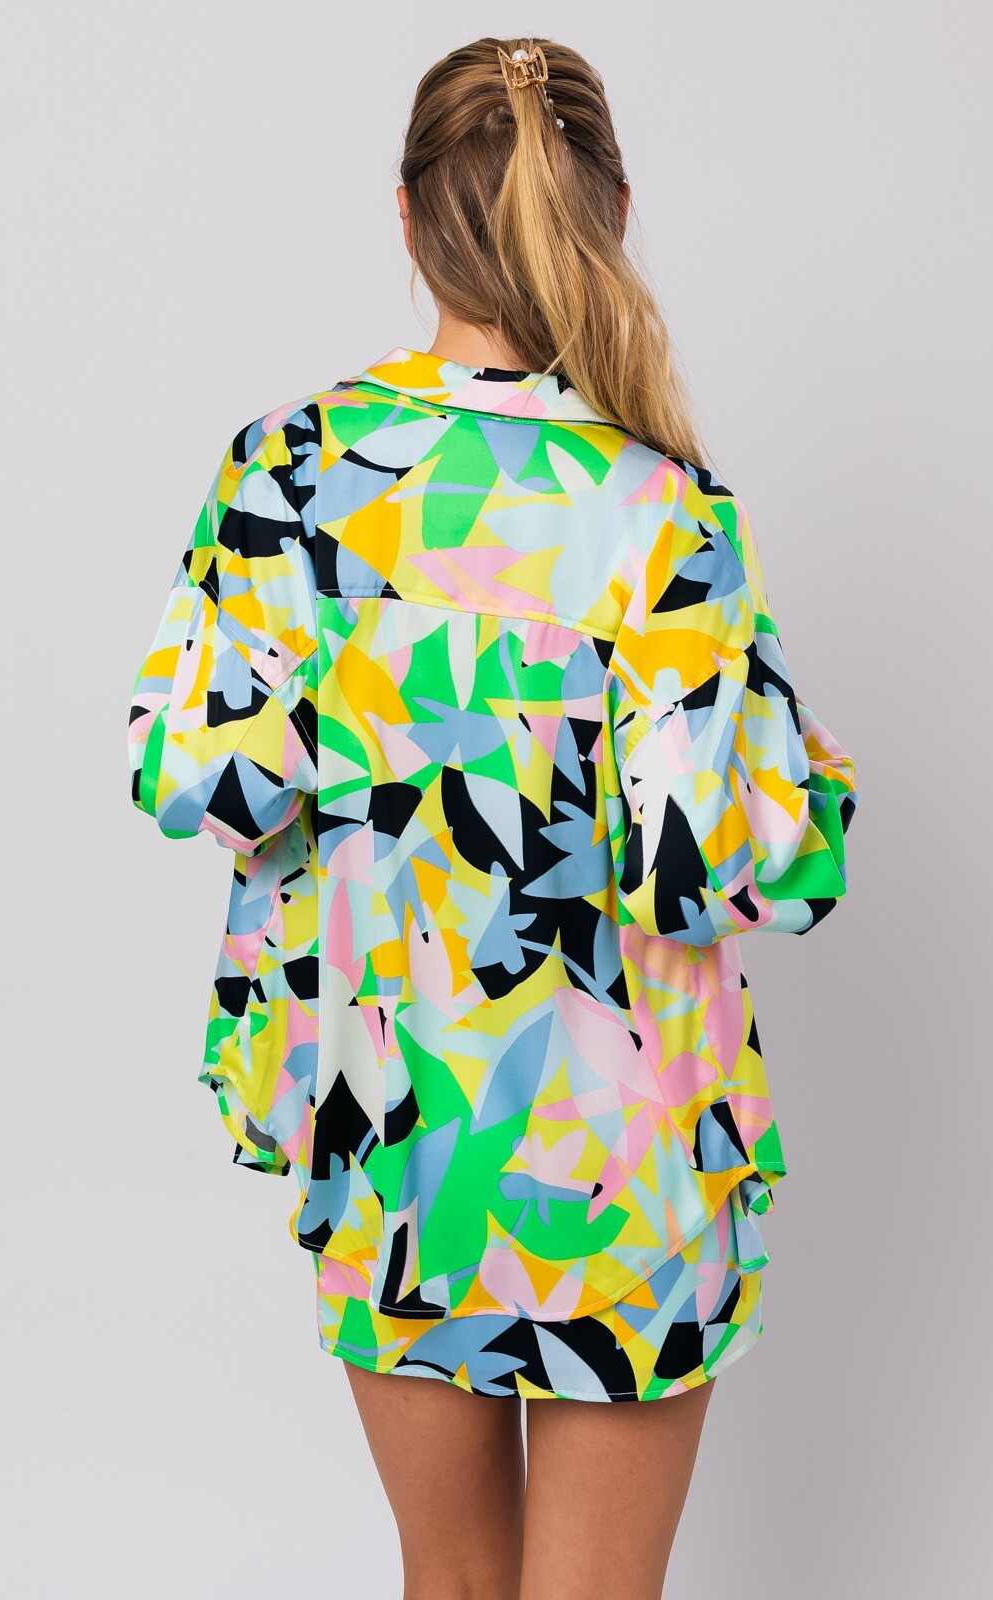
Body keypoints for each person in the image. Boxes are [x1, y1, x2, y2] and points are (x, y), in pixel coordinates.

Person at [126, 34, 858, 1600]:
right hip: (628, 1153)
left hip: (397, 1123)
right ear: (612, 211)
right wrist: (815, 779)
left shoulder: (290, 474)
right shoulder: (665, 503)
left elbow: (192, 776)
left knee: (449, 1582)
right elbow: (727, 867)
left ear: (404, 215)